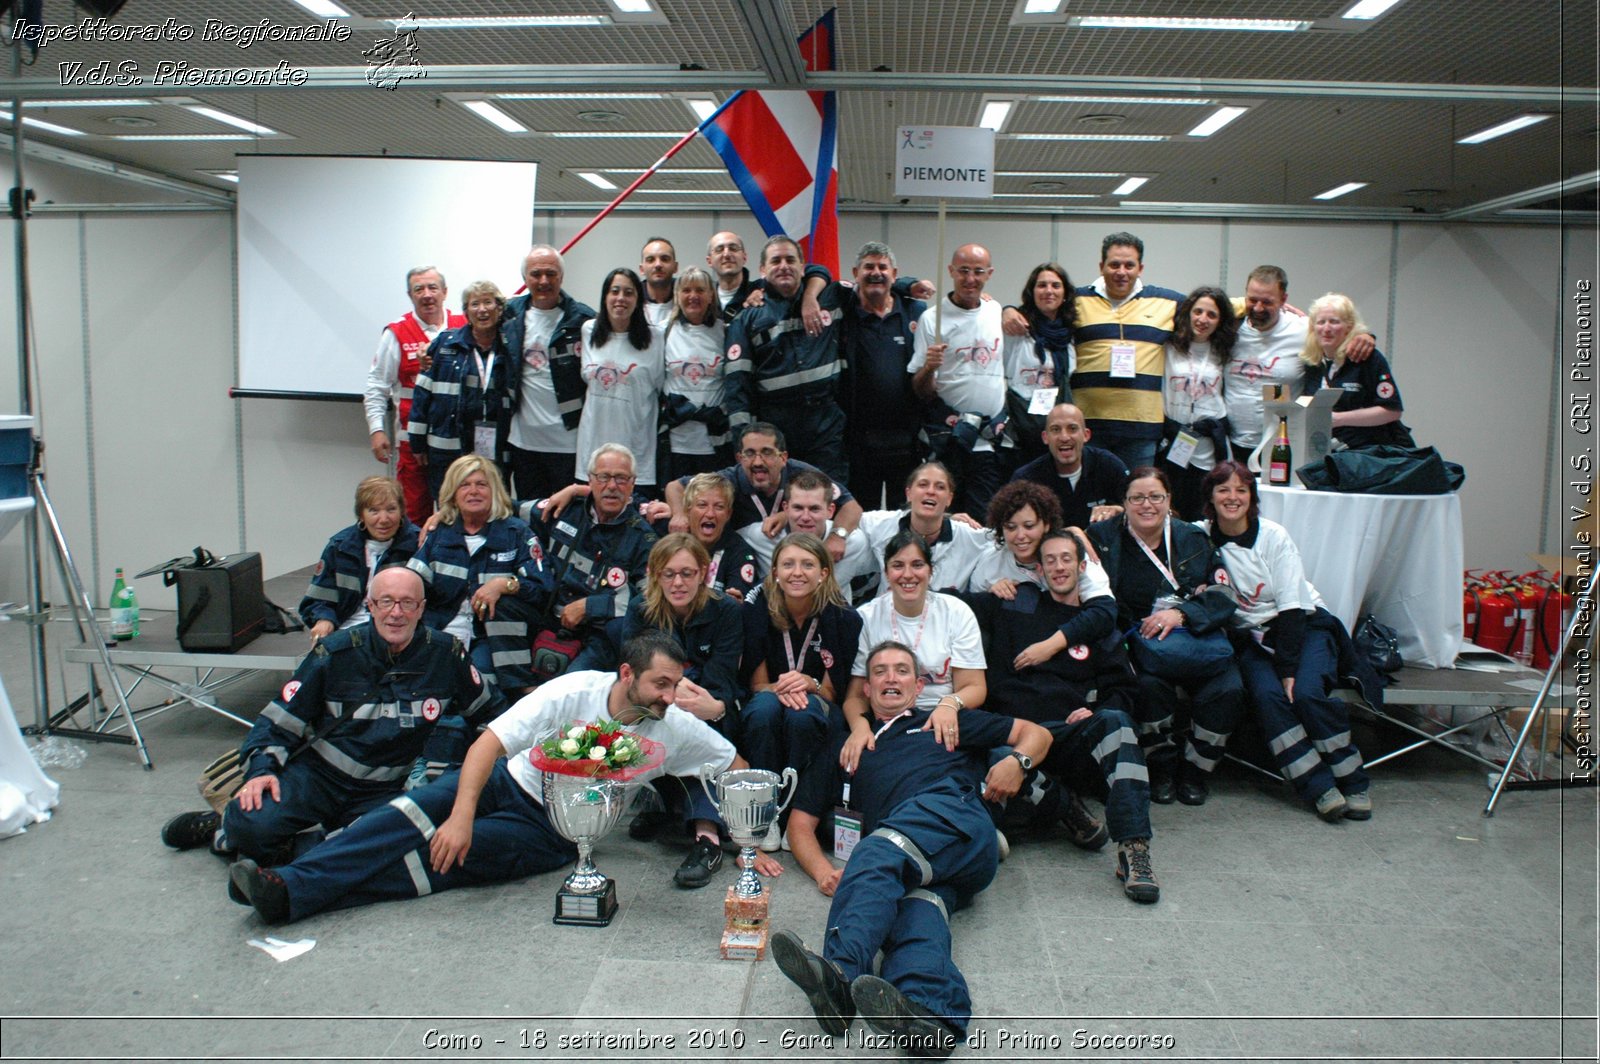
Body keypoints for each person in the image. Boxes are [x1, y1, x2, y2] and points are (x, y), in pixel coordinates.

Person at [227, 633, 754, 924]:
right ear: (625, 675)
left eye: (677, 684)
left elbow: (734, 766)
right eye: (661, 683)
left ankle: (290, 889)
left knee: (441, 859)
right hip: (506, 782)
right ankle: (290, 882)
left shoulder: (677, 726)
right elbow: (486, 745)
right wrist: (459, 814)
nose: (670, 695)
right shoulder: (571, 692)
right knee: (404, 818)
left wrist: (754, 838)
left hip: (553, 833)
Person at [770, 640, 1052, 1054]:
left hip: (956, 822)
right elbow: (800, 824)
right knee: (916, 918)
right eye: (880, 671)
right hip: (918, 866)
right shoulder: (844, 747)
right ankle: (932, 1019)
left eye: (901, 671)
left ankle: (841, 976)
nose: (890, 678)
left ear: (919, 686)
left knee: (876, 850)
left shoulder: (945, 722)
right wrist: (822, 871)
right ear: (865, 689)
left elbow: (1037, 734)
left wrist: (1017, 762)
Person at [161, 566, 501, 866]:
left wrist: (469, 776)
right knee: (253, 821)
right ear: (370, 606)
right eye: (386, 602)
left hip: (384, 789)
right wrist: (261, 772)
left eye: (407, 603)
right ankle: (226, 828)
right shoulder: (334, 653)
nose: (396, 613)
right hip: (318, 776)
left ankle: (290, 849)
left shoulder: (445, 656)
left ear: (421, 609)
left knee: (409, 842)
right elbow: (278, 722)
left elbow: (493, 716)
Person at [968, 528, 1158, 903]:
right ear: (1038, 569)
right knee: (995, 759)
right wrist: (991, 590)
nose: (1058, 568)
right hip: (1022, 734)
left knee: (1117, 724)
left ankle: (1134, 849)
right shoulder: (1018, 604)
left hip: (1074, 737)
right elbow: (957, 608)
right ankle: (1067, 810)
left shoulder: (1096, 623)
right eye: (1050, 561)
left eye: (1066, 559)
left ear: (1082, 565)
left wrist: (1100, 709)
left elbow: (1125, 690)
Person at [1202, 461, 1374, 821]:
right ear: (1210, 497)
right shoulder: (1198, 536)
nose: (1232, 497)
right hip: (1253, 639)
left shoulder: (1273, 536)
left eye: (1241, 490)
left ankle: (1353, 780)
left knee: (1306, 693)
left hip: (1303, 627)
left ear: (1252, 497)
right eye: (1223, 489)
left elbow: (1293, 607)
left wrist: (1288, 668)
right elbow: (1153, 524)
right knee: (1267, 697)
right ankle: (1319, 786)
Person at [1088, 467, 1243, 807]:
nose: (1147, 505)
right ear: (1124, 503)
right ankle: (1161, 768)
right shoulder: (1103, 537)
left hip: (1196, 635)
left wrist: (1182, 613)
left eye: (1155, 497)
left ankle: (1196, 769)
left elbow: (1224, 593)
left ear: (1169, 500)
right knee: (1147, 688)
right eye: (1137, 497)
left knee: (1227, 688)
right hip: (1140, 642)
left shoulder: (1192, 538)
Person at [739, 533, 862, 849]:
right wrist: (786, 688)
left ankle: (798, 817)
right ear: (775, 572)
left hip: (817, 702)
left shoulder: (843, 617)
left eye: (808, 564)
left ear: (823, 573)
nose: (797, 572)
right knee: (764, 710)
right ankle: (764, 816)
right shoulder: (758, 610)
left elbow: (834, 694)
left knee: (803, 715)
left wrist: (811, 684)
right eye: (788, 564)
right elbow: (756, 685)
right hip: (770, 695)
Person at [406, 455, 547, 696]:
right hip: (442, 627)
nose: (473, 491)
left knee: (480, 686)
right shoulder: (438, 533)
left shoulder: (517, 532)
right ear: (453, 493)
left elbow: (542, 588)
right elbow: (411, 583)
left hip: (491, 637)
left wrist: (506, 584)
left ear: (494, 491)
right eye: (465, 485)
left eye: (481, 484)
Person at [842, 532, 986, 767]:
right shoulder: (865, 617)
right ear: (886, 573)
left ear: (930, 571)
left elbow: (975, 686)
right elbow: (856, 696)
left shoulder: (956, 611)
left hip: (945, 717)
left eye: (917, 565)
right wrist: (859, 728)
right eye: (898, 566)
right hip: (886, 718)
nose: (908, 575)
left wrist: (949, 704)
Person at [725, 236, 851, 482]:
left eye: (790, 259)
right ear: (763, 270)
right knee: (781, 506)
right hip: (776, 434)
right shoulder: (747, 317)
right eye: (776, 261)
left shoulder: (831, 298)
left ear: (803, 267)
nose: (784, 265)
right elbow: (737, 387)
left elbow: (875, 286)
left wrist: (908, 286)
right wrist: (744, 445)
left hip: (826, 429)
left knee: (829, 502)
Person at [520, 444, 657, 657]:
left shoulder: (643, 538)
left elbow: (649, 602)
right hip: (547, 614)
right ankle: (518, 686)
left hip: (598, 632)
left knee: (567, 689)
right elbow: (507, 509)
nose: (612, 486)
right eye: (603, 477)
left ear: (633, 484)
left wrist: (590, 606)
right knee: (505, 604)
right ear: (590, 480)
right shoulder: (565, 508)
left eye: (621, 478)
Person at [1225, 266, 1375, 460]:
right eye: (1252, 300)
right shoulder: (1227, 329)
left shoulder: (1303, 329)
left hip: (1283, 443)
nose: (1258, 308)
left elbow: (1338, 335)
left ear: (1283, 300)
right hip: (1231, 443)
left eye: (1267, 302)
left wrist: (1365, 336)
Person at [1065, 232, 1186, 471]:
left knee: (1137, 499)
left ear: (1140, 268)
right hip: (1089, 427)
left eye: (1129, 265)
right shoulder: (1075, 300)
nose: (1122, 271)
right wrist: (1007, 311)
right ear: (1101, 266)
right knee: (1092, 499)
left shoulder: (1167, 301)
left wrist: (1259, 303)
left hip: (1141, 429)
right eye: (1114, 264)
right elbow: (1039, 310)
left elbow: (1212, 306)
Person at [664, 423, 862, 567]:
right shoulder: (729, 479)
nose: (758, 462)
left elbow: (851, 506)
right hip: (745, 560)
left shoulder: (803, 475)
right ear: (740, 458)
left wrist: (837, 536)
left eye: (767, 452)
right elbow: (675, 487)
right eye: (750, 454)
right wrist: (679, 514)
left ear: (783, 457)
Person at [910, 243, 1007, 518]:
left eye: (978, 271)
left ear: (989, 274)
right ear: (951, 271)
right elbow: (921, 391)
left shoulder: (995, 310)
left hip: (989, 441)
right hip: (948, 440)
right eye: (963, 271)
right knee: (942, 519)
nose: (970, 279)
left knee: (985, 524)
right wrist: (929, 368)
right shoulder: (932, 319)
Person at [364, 266, 466, 524]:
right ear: (410, 295)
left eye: (433, 287)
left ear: (444, 292)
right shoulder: (397, 332)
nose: (427, 294)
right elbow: (377, 386)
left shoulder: (464, 325)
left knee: (459, 512)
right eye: (419, 289)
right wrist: (377, 430)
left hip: (457, 443)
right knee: (414, 515)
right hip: (412, 445)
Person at [496, 245, 595, 500]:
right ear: (525, 279)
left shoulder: (584, 319)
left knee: (568, 517)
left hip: (569, 442)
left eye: (550, 274)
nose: (543, 281)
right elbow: (474, 335)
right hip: (523, 443)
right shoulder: (509, 315)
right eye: (535, 274)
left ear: (561, 277)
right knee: (532, 514)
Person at [839, 241, 928, 508]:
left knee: (905, 518)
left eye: (882, 267)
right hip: (858, 442)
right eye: (868, 267)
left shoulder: (917, 312)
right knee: (862, 519)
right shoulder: (841, 312)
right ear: (855, 273)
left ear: (895, 273)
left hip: (906, 441)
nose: (875, 272)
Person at [408, 280, 509, 505]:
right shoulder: (444, 344)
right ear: (465, 312)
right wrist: (417, 442)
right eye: (474, 304)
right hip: (445, 449)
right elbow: (422, 395)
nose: (482, 310)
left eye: (488, 303)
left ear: (499, 308)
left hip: (493, 451)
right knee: (448, 509)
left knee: (489, 509)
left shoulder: (510, 347)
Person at [839, 461, 992, 603]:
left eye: (940, 487)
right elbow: (843, 516)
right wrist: (837, 535)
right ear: (909, 493)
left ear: (949, 499)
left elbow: (1006, 540)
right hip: (886, 620)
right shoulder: (882, 524)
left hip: (944, 625)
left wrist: (998, 583)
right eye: (923, 484)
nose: (931, 491)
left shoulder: (971, 536)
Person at [298, 476, 420, 645]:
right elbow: (317, 600)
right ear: (361, 515)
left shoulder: (419, 544)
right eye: (374, 511)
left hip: (400, 633)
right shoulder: (340, 547)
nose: (383, 519)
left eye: (391, 510)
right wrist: (324, 620)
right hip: (348, 631)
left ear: (402, 512)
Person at [574, 268, 665, 492]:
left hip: (637, 452)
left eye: (629, 292)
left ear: (638, 300)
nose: (621, 298)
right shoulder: (589, 331)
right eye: (615, 291)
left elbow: (661, 388)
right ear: (605, 296)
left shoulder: (656, 337)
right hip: (592, 450)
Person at [1299, 293, 1415, 450]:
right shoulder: (1313, 363)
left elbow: (1392, 411)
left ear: (1349, 326)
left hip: (1372, 453)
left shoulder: (1367, 357)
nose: (1326, 329)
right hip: (1331, 451)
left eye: (1334, 322)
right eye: (1321, 322)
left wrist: (1339, 419)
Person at [1161, 286, 1238, 520]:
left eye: (1212, 315)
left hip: (1208, 443)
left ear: (1220, 321)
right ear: (1188, 313)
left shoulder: (1224, 352)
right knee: (1172, 509)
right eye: (1198, 312)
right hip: (1175, 439)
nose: (1203, 319)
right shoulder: (1168, 347)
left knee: (1204, 511)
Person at [661, 266, 733, 481]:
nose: (693, 296)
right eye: (686, 290)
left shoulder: (726, 331)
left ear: (711, 295)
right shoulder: (662, 331)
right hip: (676, 440)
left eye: (700, 290)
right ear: (677, 295)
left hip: (715, 440)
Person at [1008, 402, 1129, 529]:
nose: (1064, 437)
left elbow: (1138, 509)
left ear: (1086, 435)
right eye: (1055, 430)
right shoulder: (1026, 480)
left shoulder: (1108, 465)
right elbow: (1010, 524)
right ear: (1045, 437)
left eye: (1072, 428)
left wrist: (1119, 510)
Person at [1003, 263, 1076, 470]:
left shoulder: (1070, 332)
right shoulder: (1016, 326)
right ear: (1031, 291)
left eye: (1055, 285)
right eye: (1041, 285)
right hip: (1022, 428)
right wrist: (1006, 310)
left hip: (1057, 431)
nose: (1049, 291)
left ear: (1065, 293)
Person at [679, 471, 760, 602]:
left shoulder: (740, 553)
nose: (710, 514)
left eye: (719, 507)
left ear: (728, 514)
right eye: (702, 505)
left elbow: (735, 604)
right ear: (688, 510)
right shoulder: (671, 545)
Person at [706, 230, 756, 320]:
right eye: (719, 249)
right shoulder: (704, 299)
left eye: (733, 248)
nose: (727, 254)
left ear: (744, 257)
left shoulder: (761, 291)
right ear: (709, 261)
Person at [639, 236, 678, 327]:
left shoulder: (687, 299)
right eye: (650, 260)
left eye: (664, 259)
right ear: (642, 269)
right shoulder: (632, 300)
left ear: (675, 267)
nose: (658, 265)